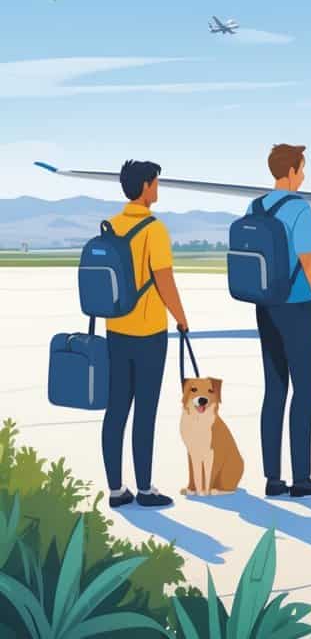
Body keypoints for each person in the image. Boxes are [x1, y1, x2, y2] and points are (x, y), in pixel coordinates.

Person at [254, 144, 311, 498]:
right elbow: (309, 263)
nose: (304, 176)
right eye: (302, 169)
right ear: (291, 171)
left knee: (274, 390)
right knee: (304, 391)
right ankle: (301, 477)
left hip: (265, 306)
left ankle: (273, 479)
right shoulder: (299, 209)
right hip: (297, 307)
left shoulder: (255, 207)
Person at [102, 160, 188, 509]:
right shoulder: (154, 229)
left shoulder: (111, 225)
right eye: (155, 183)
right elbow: (164, 280)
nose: (157, 188)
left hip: (116, 329)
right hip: (149, 332)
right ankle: (145, 489)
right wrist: (181, 318)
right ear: (145, 187)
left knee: (116, 410)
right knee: (145, 412)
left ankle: (115, 490)